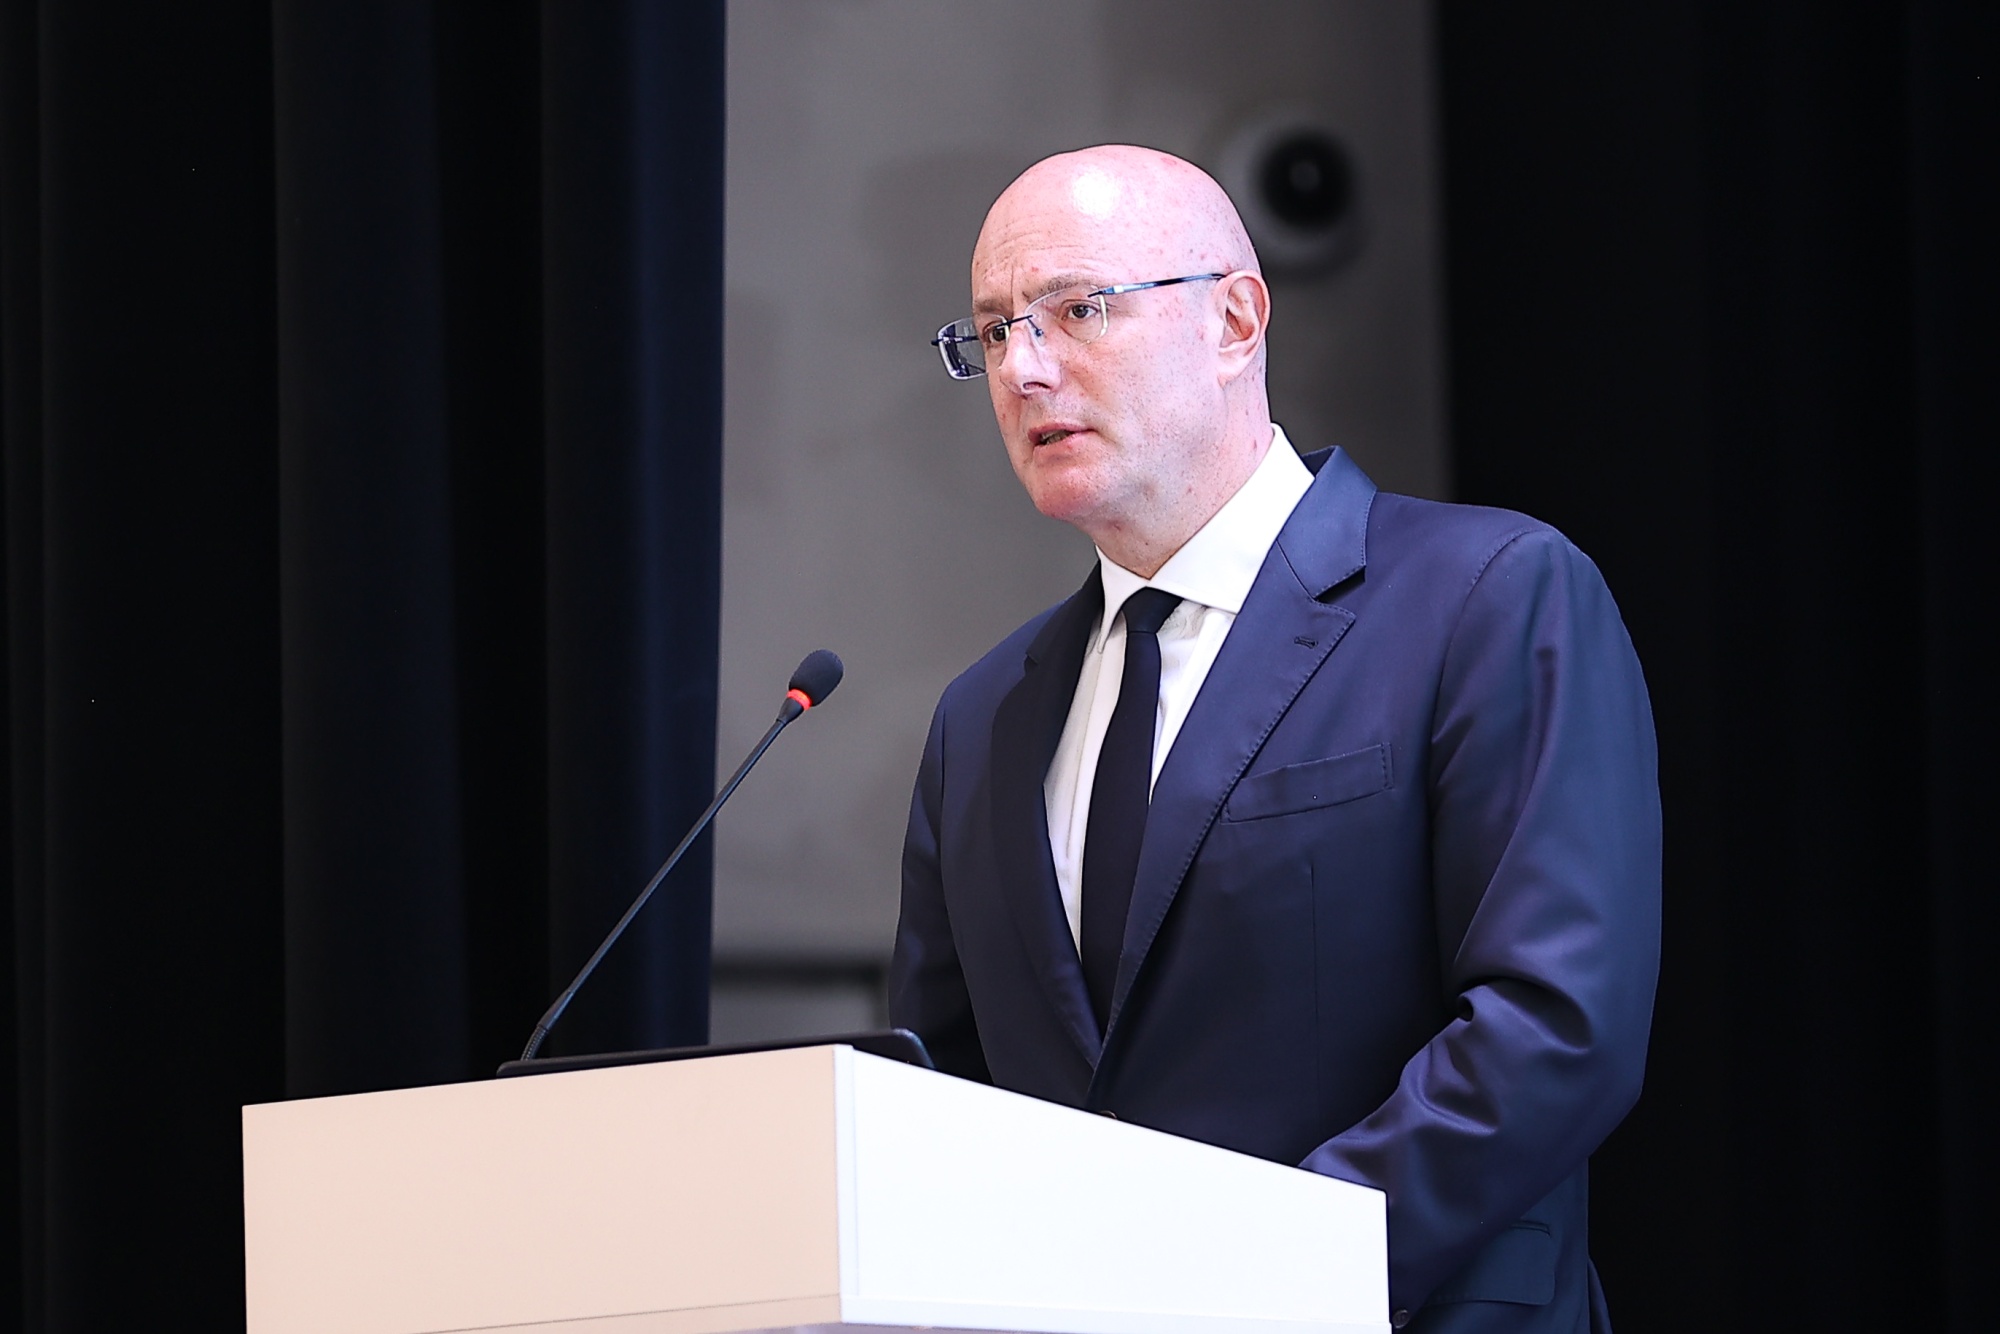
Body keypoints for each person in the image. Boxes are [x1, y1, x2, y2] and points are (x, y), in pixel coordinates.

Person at [890, 145, 1660, 1334]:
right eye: (992, 332)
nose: (1024, 368)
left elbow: (1552, 1027)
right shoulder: (980, 717)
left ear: (1234, 320)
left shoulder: (1485, 595)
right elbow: (938, 1101)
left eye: (1076, 310)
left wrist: (1265, 1275)